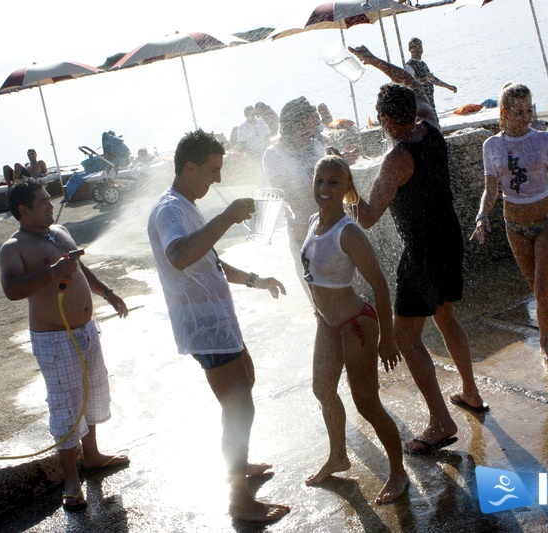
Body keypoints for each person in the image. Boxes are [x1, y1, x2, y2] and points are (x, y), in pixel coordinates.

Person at [147, 129, 290, 523]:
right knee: (239, 406)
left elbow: (209, 261)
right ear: (189, 167)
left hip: (218, 320)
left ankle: (237, 467)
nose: (219, 179)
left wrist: (254, 280)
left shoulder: (185, 205)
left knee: (245, 381)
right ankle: (238, 500)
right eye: (213, 170)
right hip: (204, 325)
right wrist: (227, 217)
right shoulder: (169, 210)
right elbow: (179, 255)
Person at [356, 83, 487, 454]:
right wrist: (379, 65)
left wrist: (348, 188)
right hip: (449, 240)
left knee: (405, 337)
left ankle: (440, 422)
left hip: (422, 254)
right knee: (446, 317)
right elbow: (416, 90)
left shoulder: (397, 158)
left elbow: (366, 217)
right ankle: (471, 393)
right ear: (413, 109)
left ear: (384, 120)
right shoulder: (430, 126)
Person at [0, 177, 130, 512]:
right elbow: (12, 289)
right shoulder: (13, 248)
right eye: (42, 202)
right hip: (54, 339)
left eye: (49, 199)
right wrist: (53, 272)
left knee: (93, 392)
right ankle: (72, 480)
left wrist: (109, 293)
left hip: (86, 330)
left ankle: (94, 455)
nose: (50, 205)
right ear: (23, 210)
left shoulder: (60, 233)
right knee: (66, 406)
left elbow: (81, 269)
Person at [301, 155, 409, 504]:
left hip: (356, 326)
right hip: (327, 325)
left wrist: (388, 340)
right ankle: (338, 456)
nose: (324, 189)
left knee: (366, 403)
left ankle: (398, 472)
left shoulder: (349, 233)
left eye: (333, 182)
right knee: (322, 390)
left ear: (348, 187)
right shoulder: (313, 221)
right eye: (319, 181)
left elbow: (379, 286)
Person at [471, 83, 548, 365]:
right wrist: (482, 215)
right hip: (514, 226)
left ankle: (543, 343)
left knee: (541, 286)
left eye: (530, 110)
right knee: (539, 287)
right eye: (519, 112)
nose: (526, 117)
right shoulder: (491, 146)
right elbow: (491, 189)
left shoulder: (544, 141)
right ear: (504, 112)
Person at [263, 96, 326, 290]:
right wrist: (330, 185)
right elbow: (291, 199)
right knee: (318, 300)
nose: (316, 121)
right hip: (302, 233)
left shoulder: (315, 146)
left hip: (329, 228)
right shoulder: (274, 155)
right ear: (297, 124)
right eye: (311, 117)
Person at [348, 45, 438, 126]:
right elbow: (411, 83)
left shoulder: (401, 142)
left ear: (387, 120)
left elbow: (410, 82)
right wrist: (374, 60)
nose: (378, 119)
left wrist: (373, 60)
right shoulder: (428, 126)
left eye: (379, 114)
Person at [404, 37, 457, 116]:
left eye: (420, 47)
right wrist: (423, 80)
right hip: (420, 105)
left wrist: (448, 86)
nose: (419, 49)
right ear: (410, 49)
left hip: (429, 103)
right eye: (415, 47)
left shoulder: (423, 64)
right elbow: (409, 84)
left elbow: (432, 79)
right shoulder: (409, 66)